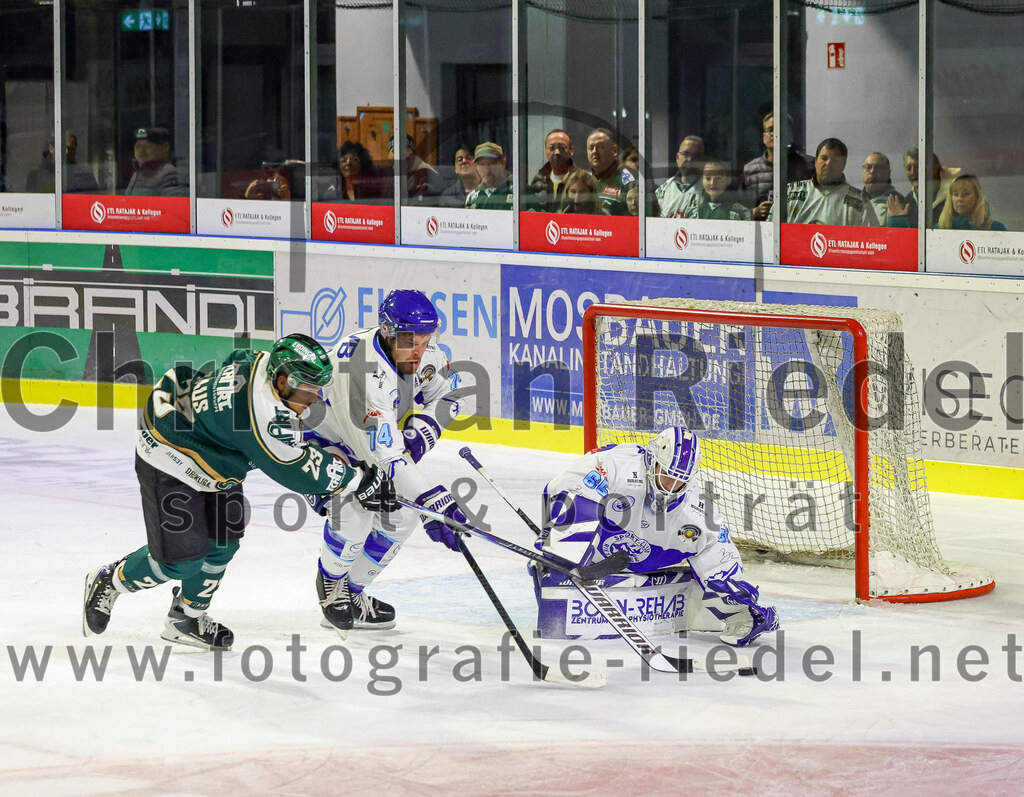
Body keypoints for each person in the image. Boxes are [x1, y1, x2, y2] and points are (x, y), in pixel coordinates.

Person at [83, 334, 394, 650]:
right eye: (308, 390)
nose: (315, 399)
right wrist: (359, 481)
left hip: (210, 451)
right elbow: (295, 468)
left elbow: (236, 360)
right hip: (169, 454)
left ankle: (186, 618)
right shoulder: (264, 417)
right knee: (179, 562)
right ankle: (111, 579)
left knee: (223, 542)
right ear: (283, 382)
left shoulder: (261, 362)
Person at [307, 290, 468, 636]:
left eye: (425, 341)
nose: (419, 351)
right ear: (388, 332)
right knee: (354, 511)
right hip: (321, 446)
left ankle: (352, 592)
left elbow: (450, 396)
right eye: (411, 342)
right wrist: (433, 501)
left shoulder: (423, 352)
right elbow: (385, 455)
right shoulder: (360, 370)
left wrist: (421, 432)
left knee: (402, 516)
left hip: (368, 443)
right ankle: (331, 584)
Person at [536, 426, 779, 646]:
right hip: (595, 553)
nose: (670, 487)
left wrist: (739, 604)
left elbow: (719, 550)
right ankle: (560, 570)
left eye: (679, 481)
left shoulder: (696, 511)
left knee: (719, 568)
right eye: (666, 475)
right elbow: (562, 486)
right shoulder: (619, 465)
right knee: (579, 501)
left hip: (646, 559)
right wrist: (560, 550)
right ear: (652, 460)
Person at [769, 137, 878, 226]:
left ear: (844, 164)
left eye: (835, 160)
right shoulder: (789, 192)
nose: (828, 163)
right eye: (824, 158)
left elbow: (872, 240)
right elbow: (770, 233)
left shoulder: (860, 201)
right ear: (815, 161)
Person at [741, 112, 813, 221]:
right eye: (771, 129)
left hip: (794, 227)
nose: (775, 134)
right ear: (764, 137)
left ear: (790, 135)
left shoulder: (805, 166)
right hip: (760, 229)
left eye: (781, 129)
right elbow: (739, 208)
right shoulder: (750, 169)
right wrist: (754, 212)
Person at [892, 174, 1006, 231]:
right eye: (955, 194)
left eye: (965, 194)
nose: (960, 198)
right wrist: (899, 222)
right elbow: (914, 253)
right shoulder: (939, 229)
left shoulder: (995, 229)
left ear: (977, 197)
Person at [901, 148, 959, 228]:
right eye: (908, 168)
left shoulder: (957, 194)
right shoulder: (908, 201)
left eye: (918, 167)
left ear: (934, 168)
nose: (913, 172)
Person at [25, 131, 99, 194]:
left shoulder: (85, 176)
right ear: (51, 148)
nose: (67, 152)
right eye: (63, 147)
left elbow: (94, 200)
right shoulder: (36, 177)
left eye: (71, 148)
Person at [125, 126, 188, 197]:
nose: (141, 151)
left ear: (165, 148)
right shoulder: (138, 173)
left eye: (148, 146)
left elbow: (173, 203)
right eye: (138, 146)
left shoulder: (170, 174)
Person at [586, 128, 636, 216]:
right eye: (591, 148)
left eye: (601, 147)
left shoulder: (627, 182)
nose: (594, 151)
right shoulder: (584, 180)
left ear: (614, 150)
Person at [680, 160, 752, 221]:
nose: (712, 183)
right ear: (702, 180)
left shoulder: (741, 212)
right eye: (708, 178)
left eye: (718, 178)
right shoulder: (695, 212)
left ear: (728, 180)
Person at [655, 135, 705, 218]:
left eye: (696, 156)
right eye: (686, 154)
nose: (690, 159)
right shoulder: (664, 189)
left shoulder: (710, 189)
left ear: (703, 160)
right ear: (677, 158)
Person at [322, 141, 390, 202]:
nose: (348, 163)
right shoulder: (334, 188)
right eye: (344, 160)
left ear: (362, 163)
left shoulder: (372, 186)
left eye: (354, 159)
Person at [527, 129, 576, 212]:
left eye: (562, 148)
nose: (557, 152)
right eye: (552, 148)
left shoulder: (581, 180)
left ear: (571, 150)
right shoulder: (539, 180)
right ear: (546, 152)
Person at [389, 133, 444, 202]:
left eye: (404, 150)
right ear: (389, 155)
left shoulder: (428, 175)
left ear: (413, 154)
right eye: (394, 151)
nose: (399, 155)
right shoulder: (388, 174)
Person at [464, 142, 513, 210]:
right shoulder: (472, 197)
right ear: (476, 166)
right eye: (482, 165)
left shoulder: (517, 190)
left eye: (492, 164)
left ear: (503, 163)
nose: (487, 169)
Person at [860, 152, 903, 226]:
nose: (872, 171)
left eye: (878, 168)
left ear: (888, 173)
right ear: (862, 172)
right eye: (868, 167)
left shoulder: (898, 203)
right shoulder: (853, 200)